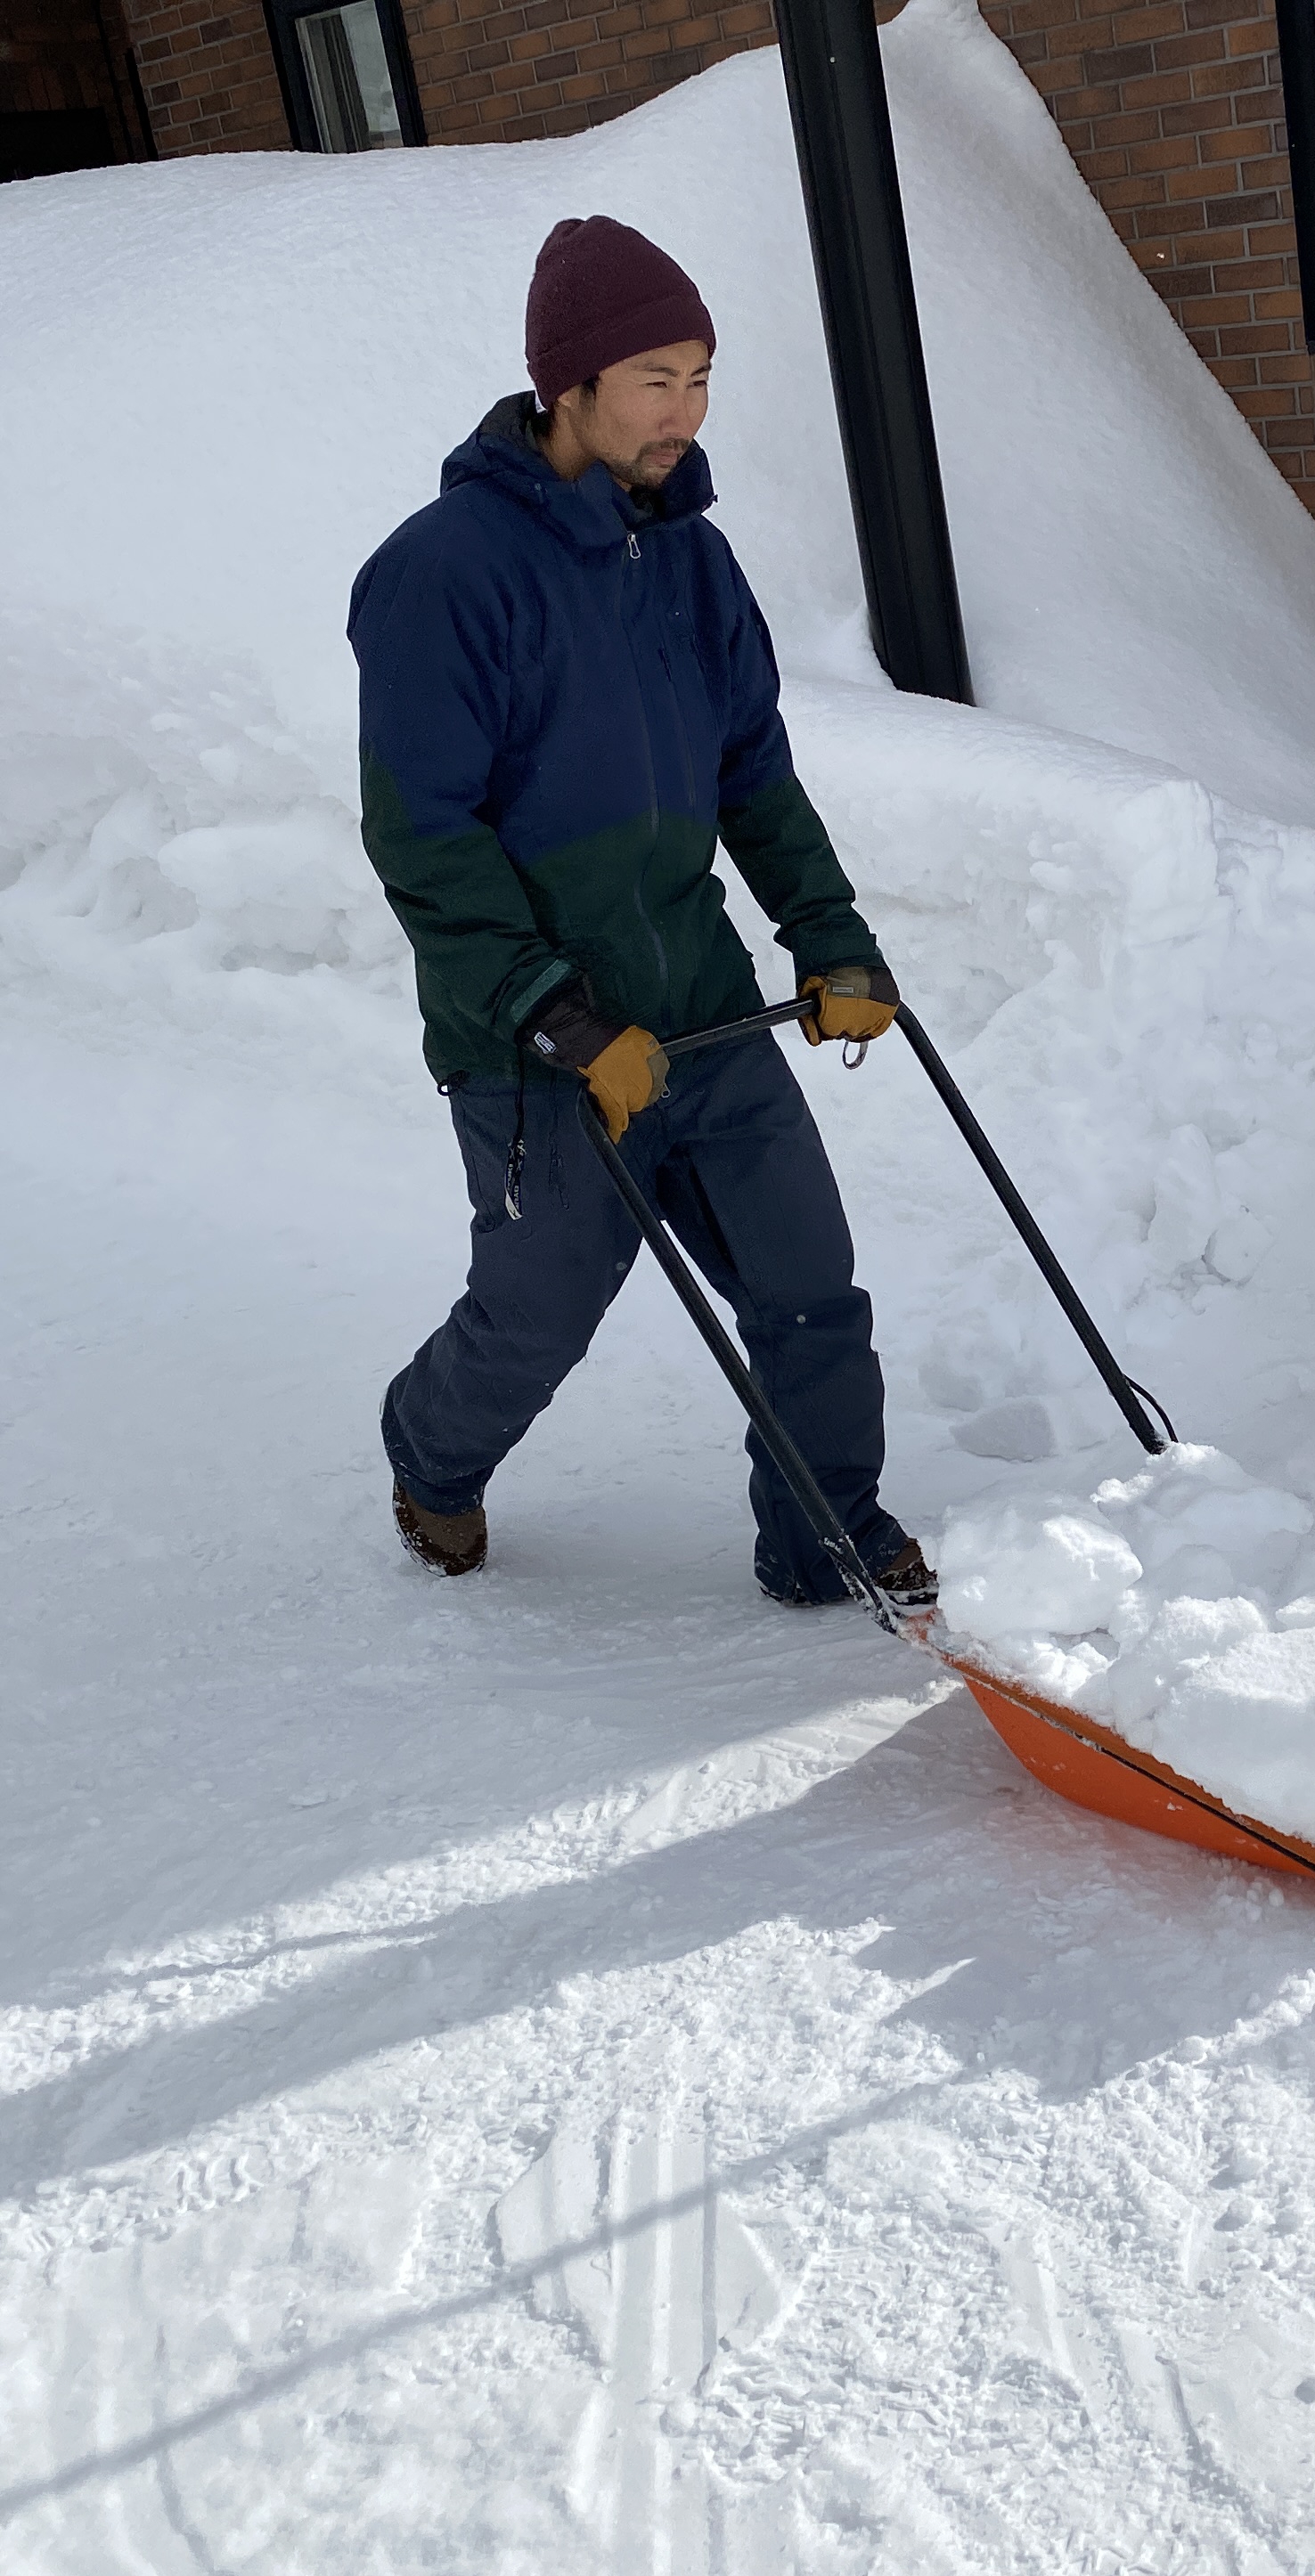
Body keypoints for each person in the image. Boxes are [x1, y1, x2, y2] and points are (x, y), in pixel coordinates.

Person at [348, 215, 930, 1608]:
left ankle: (828, 1538)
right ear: (569, 385)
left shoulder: (691, 561)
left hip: (704, 1011)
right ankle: (432, 1455)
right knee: (540, 1314)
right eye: (656, 379)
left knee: (808, 1289)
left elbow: (754, 775)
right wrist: (556, 1017)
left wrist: (830, 936)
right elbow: (424, 837)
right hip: (537, 1044)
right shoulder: (443, 573)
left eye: (703, 377)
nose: (687, 411)